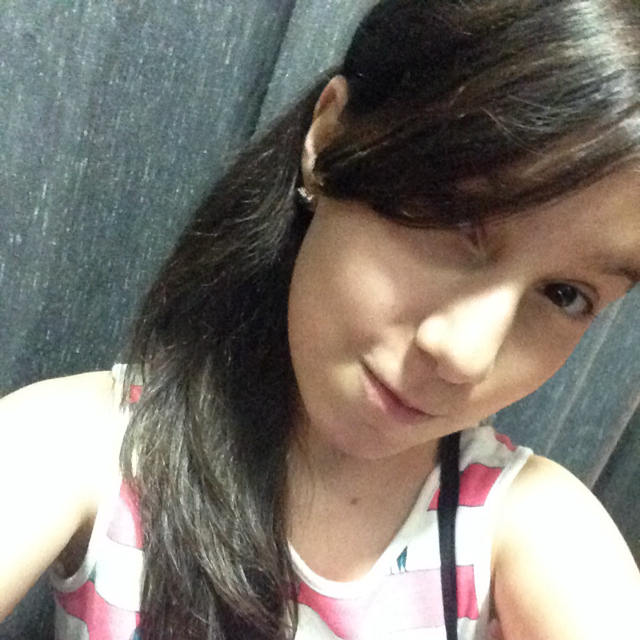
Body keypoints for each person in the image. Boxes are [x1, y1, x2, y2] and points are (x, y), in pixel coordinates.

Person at [1, 0, 640, 638]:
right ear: (328, 137)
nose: (466, 355)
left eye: (565, 294)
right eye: (456, 217)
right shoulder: (88, 448)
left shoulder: (530, 530)